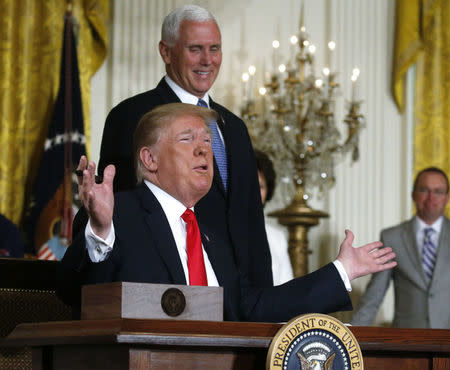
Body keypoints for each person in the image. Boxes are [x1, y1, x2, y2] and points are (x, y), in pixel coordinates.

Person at [58, 103, 397, 322]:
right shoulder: (117, 215)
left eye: (206, 141)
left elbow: (252, 308)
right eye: (188, 139)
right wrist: (100, 232)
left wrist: (342, 271)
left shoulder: (211, 234)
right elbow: (76, 294)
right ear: (150, 159)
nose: (203, 148)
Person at [96, 5, 273, 288]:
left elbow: (252, 222)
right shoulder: (131, 116)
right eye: (195, 49)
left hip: (239, 298)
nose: (207, 60)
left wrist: (263, 299)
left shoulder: (235, 127)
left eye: (214, 49)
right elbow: (118, 210)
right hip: (170, 292)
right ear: (166, 52)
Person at [351, 167, 450, 328]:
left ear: (447, 198)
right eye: (424, 190)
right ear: (413, 195)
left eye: (438, 191)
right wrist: (349, 339)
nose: (431, 197)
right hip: (407, 341)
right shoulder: (392, 237)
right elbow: (374, 296)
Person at [255, 150, 293, 285]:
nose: (253, 192)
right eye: (249, 185)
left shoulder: (277, 237)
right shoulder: (220, 232)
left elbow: (286, 289)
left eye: (259, 186)